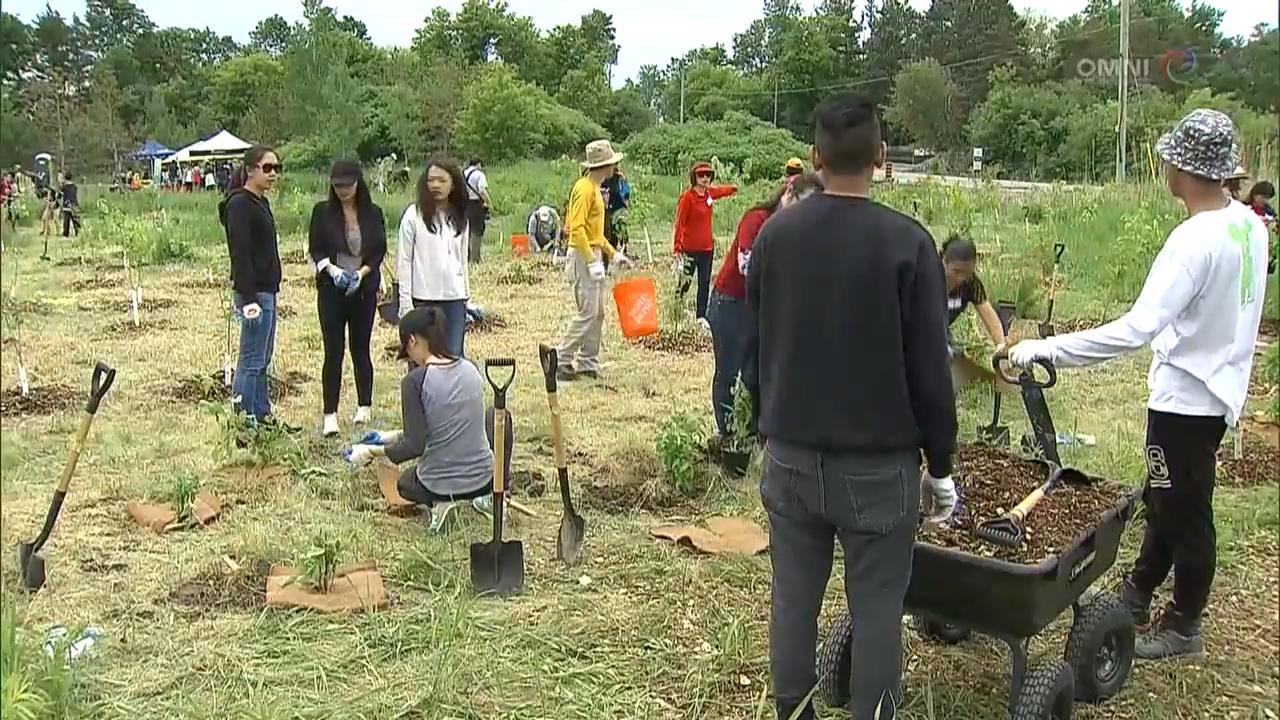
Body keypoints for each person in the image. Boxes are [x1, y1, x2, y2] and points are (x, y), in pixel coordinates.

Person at [1009, 109, 1269, 661]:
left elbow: (1135, 330)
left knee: (1186, 513)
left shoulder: (1194, 241)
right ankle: (1139, 591)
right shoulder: (1248, 223)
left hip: (1186, 401)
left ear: (1183, 169)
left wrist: (1048, 348)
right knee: (1165, 495)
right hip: (1221, 390)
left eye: (1169, 159)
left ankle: (1184, 627)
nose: (1165, 167)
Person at [746, 93, 957, 720]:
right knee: (877, 610)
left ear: (815, 157)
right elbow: (931, 370)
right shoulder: (908, 244)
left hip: (790, 454)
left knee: (794, 600)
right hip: (878, 468)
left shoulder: (776, 236)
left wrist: (765, 420)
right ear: (881, 157)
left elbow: (759, 339)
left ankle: (794, 711)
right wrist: (941, 467)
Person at [341, 306, 511, 532]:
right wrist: (387, 437)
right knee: (498, 417)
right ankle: (495, 495)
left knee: (405, 483)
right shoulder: (471, 370)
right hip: (483, 481)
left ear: (412, 341)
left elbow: (415, 445)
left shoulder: (414, 382)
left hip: (437, 486)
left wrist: (370, 452)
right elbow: (447, 423)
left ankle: (440, 506)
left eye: (407, 349)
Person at [708, 173, 824, 440]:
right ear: (788, 194)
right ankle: (727, 436)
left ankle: (755, 433)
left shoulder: (798, 231)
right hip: (731, 302)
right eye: (802, 205)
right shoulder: (757, 219)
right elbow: (746, 265)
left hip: (761, 307)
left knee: (756, 373)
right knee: (728, 371)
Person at [309, 160, 388, 438]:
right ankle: (330, 414)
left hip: (362, 289)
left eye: (348, 185)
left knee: (360, 347)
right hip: (332, 289)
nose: (343, 190)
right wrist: (333, 271)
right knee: (333, 349)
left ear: (358, 184)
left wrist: (360, 274)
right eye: (338, 186)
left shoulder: (373, 213)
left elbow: (378, 251)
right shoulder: (322, 212)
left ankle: (364, 405)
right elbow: (316, 249)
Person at [555, 140, 633, 382]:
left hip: (593, 253)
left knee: (597, 313)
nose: (615, 168)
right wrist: (590, 260)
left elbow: (596, 233)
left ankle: (588, 361)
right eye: (612, 164)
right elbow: (576, 229)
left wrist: (613, 253)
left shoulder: (595, 189)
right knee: (587, 312)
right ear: (605, 165)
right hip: (582, 255)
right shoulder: (584, 189)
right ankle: (561, 359)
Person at [219, 145, 285, 427]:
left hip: (268, 289)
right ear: (250, 170)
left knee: (263, 358)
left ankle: (262, 415)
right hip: (254, 292)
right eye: (267, 168)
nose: (273, 174)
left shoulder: (261, 202)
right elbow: (240, 253)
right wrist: (247, 298)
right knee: (250, 359)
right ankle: (244, 422)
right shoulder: (239, 205)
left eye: (277, 168)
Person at [397, 158, 471, 358]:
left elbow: (462, 261)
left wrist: (466, 297)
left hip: (454, 299)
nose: (436, 185)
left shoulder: (460, 218)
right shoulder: (413, 216)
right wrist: (405, 304)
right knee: (422, 358)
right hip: (423, 299)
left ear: (453, 184)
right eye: (431, 180)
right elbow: (404, 260)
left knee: (453, 357)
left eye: (442, 180)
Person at [674, 161, 737, 329]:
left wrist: (733, 188)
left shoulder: (709, 194)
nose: (705, 178)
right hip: (689, 248)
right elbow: (680, 223)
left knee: (704, 282)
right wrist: (677, 248)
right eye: (701, 175)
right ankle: (676, 309)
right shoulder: (687, 198)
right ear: (694, 177)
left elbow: (721, 191)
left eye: (708, 175)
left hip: (707, 249)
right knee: (685, 282)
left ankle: (701, 316)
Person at [939, 233, 1007, 387]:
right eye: (956, 271)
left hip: (942, 333)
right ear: (943, 261)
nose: (961, 278)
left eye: (967, 273)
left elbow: (990, 317)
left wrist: (1001, 349)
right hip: (916, 333)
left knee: (958, 364)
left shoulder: (970, 284)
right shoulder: (928, 278)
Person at [462, 158, 491, 263]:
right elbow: (482, 190)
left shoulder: (462, 174)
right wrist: (489, 202)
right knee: (478, 230)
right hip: (476, 204)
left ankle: (466, 256)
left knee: (467, 230)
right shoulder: (479, 174)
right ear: (478, 164)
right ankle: (475, 257)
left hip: (464, 204)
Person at [602, 167, 631, 253]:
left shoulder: (620, 179)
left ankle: (622, 246)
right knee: (610, 229)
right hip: (609, 207)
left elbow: (625, 193)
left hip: (619, 206)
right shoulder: (605, 178)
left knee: (621, 226)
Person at [59, 173, 81, 237]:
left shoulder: (64, 187)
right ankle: (77, 231)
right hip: (74, 204)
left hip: (66, 204)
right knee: (75, 218)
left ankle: (66, 233)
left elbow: (60, 194)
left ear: (65, 178)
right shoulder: (74, 186)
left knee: (66, 219)